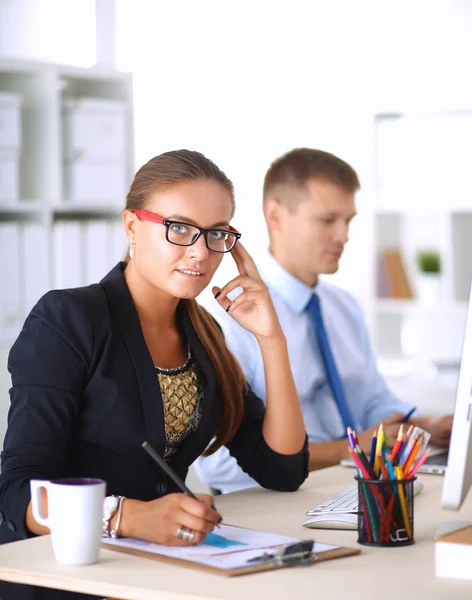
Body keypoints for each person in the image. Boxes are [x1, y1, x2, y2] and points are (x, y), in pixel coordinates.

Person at [0, 150, 308, 600]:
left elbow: (281, 468)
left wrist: (272, 340)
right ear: (132, 226)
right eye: (179, 228)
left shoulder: (204, 334)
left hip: (161, 573)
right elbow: (16, 491)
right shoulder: (69, 318)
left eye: (217, 233)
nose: (201, 252)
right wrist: (127, 517)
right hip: (68, 580)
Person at [196, 147, 452, 494]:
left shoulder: (343, 307)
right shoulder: (227, 319)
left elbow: (371, 400)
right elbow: (220, 465)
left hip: (356, 482)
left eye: (348, 221)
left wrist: (424, 426)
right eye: (328, 220)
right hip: (280, 497)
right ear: (276, 215)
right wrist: (351, 449)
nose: (343, 236)